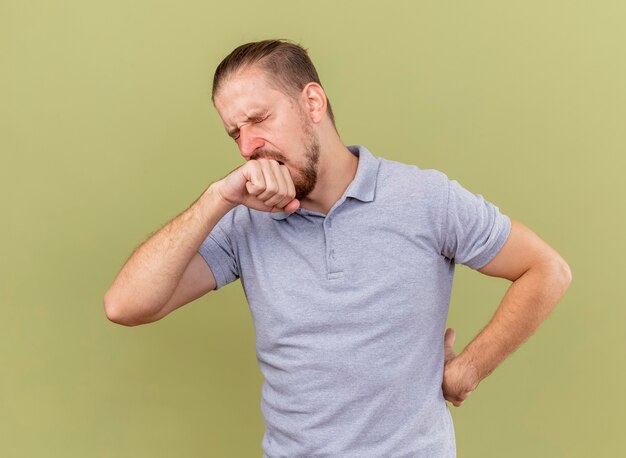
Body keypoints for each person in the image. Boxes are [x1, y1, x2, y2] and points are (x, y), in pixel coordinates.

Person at [104, 39, 572, 457]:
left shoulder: (424, 199)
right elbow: (125, 305)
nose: (248, 146)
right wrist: (216, 199)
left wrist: (468, 370)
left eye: (259, 119)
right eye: (234, 133)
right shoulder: (243, 222)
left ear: (312, 101)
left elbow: (546, 269)